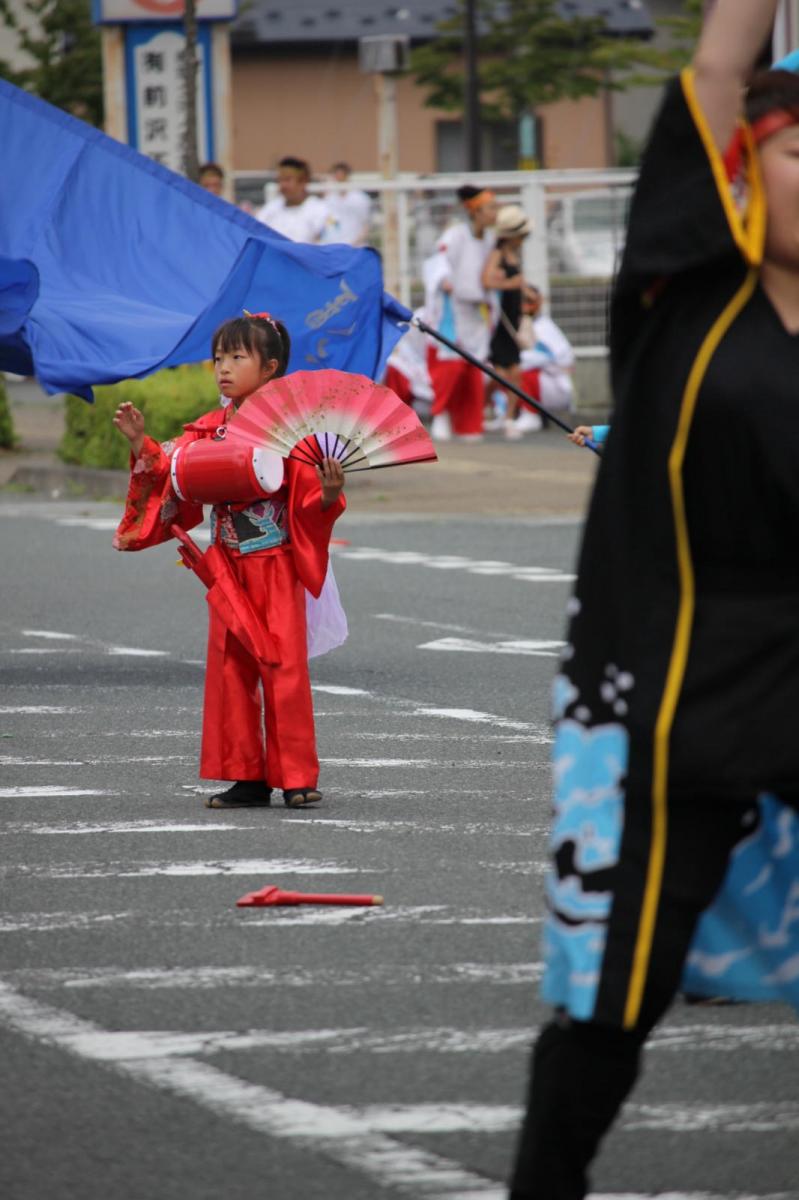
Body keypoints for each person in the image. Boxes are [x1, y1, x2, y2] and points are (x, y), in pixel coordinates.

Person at [509, 3, 799, 1197]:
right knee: (613, 997)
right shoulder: (678, 302)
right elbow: (718, 66)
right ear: (742, 163)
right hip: (678, 704)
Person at [112, 313, 346, 810]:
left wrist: (327, 495)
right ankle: (247, 777)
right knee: (230, 669)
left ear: (271, 368)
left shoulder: (296, 434)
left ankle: (297, 776)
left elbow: (308, 507)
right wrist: (140, 443)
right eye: (219, 357)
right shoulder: (209, 430)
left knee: (282, 667)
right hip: (225, 566)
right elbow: (172, 474)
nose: (223, 368)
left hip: (275, 564)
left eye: (238, 357)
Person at [422, 184, 497, 441]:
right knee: (450, 365)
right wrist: (443, 279)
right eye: (490, 208)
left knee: (473, 366)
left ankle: (469, 424)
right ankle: (441, 414)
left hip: (477, 309)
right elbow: (437, 260)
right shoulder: (455, 235)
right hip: (451, 307)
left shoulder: (489, 240)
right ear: (475, 211)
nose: (495, 213)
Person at [482, 204, 542, 439]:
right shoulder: (496, 253)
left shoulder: (512, 255)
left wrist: (527, 292)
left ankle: (508, 417)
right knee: (501, 373)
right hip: (499, 320)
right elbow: (486, 280)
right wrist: (512, 284)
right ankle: (490, 409)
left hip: (513, 320)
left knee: (514, 372)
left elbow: (519, 280)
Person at [256, 156, 335, 244]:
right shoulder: (269, 210)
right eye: (280, 180)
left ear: (303, 181)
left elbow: (333, 239)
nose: (283, 185)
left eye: (287, 180)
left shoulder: (321, 210)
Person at [323, 162, 372, 246]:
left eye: (341, 176)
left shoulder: (360, 198)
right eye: (335, 176)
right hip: (334, 247)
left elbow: (366, 225)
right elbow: (328, 222)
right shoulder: (328, 199)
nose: (338, 179)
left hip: (356, 247)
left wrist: (354, 244)